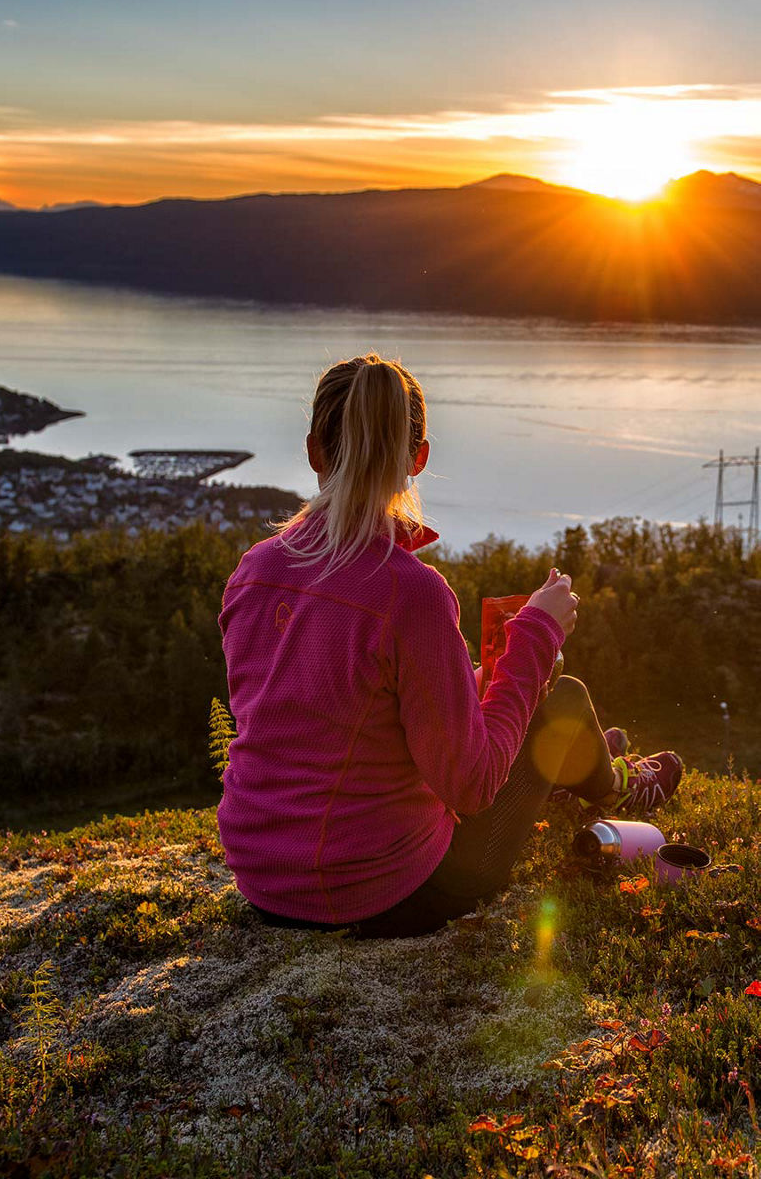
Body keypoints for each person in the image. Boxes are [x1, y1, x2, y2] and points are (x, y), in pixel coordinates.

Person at [216, 353, 682, 938]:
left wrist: (475, 682)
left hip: (264, 881)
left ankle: (582, 764)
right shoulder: (411, 593)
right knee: (560, 700)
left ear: (313, 450)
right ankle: (614, 785)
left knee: (517, 703)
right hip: (382, 894)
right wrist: (537, 633)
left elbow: (324, 718)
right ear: (419, 458)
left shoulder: (254, 571)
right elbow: (472, 785)